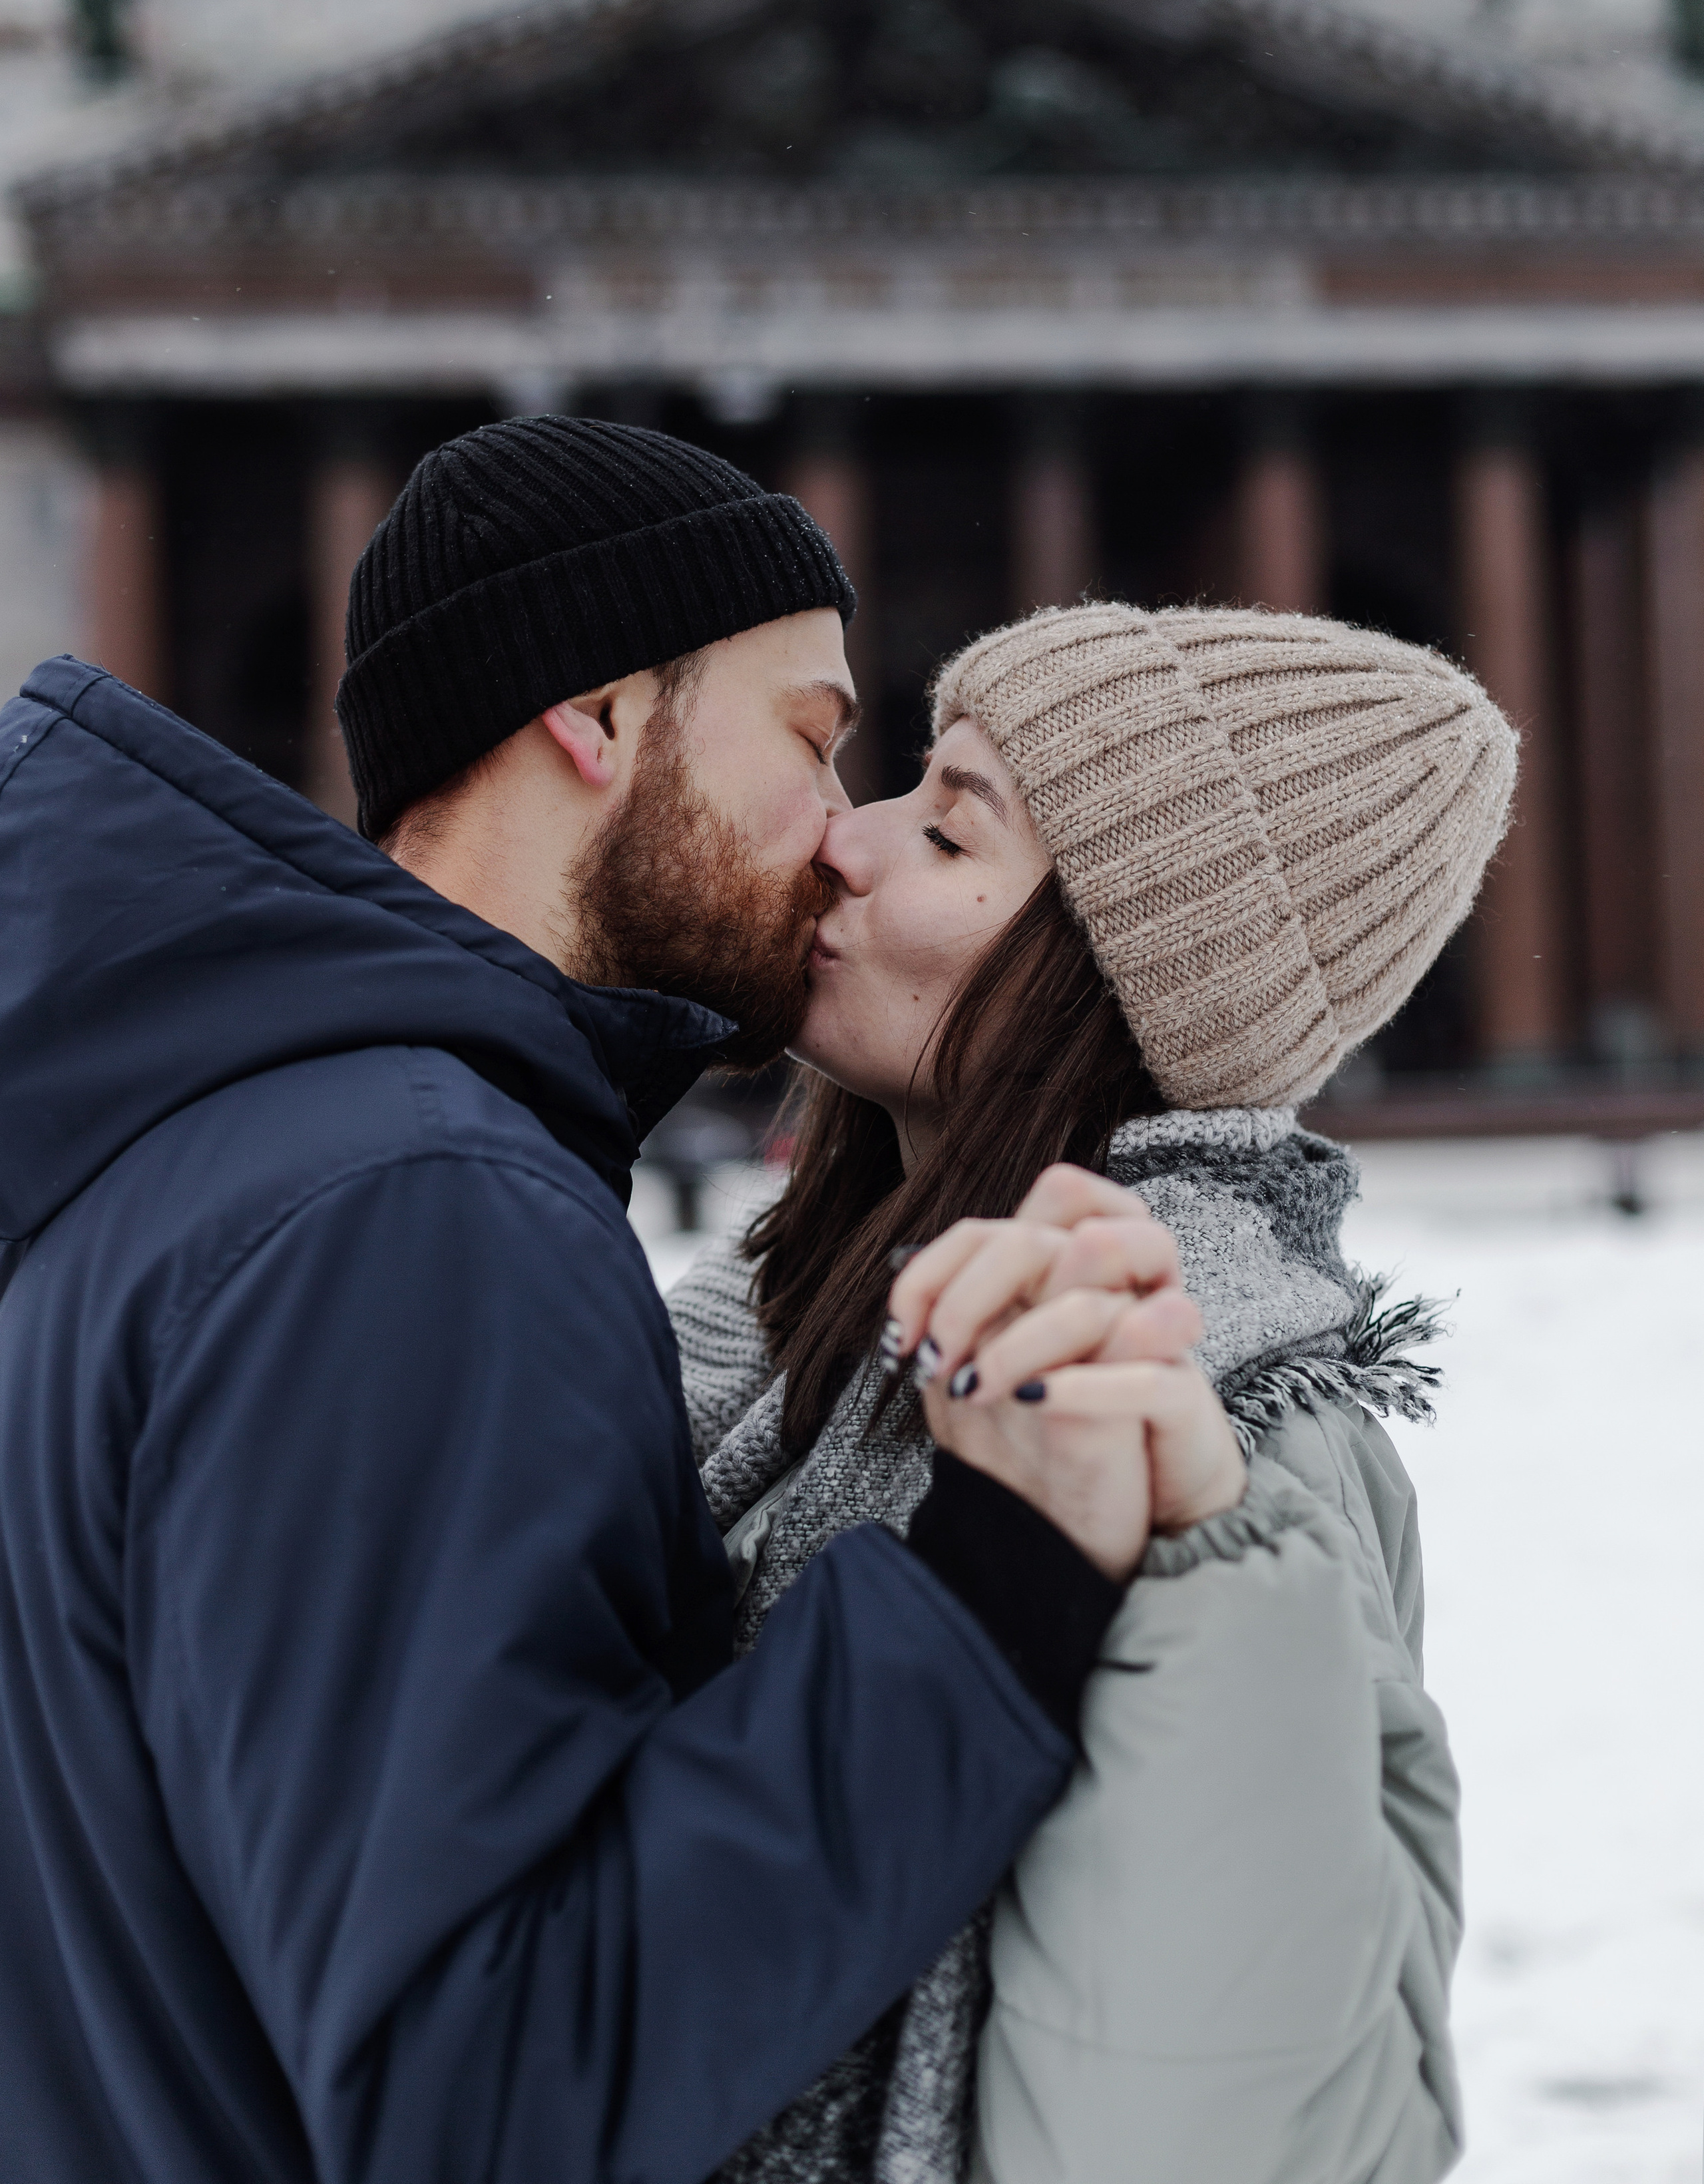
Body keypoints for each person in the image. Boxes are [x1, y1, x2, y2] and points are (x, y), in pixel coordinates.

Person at [0, 419, 1164, 2184]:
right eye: (809, 737)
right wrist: (987, 1607)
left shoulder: (194, 1160)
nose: (844, 836)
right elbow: (484, 2097)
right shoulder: (412, 1212)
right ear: (602, 719)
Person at [668, 598, 1520, 2184]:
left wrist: (1205, 1557)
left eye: (948, 829)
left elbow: (1199, 2125)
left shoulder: (1207, 1440)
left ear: (1113, 970)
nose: (845, 844)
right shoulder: (784, 1327)